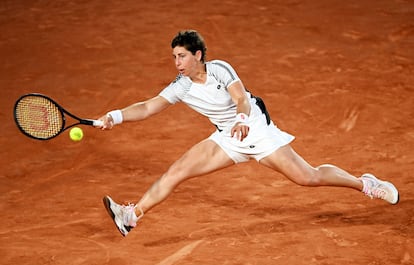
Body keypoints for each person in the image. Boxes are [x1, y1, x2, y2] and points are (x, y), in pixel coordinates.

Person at [98, 30, 399, 237]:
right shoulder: (181, 87)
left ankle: (365, 184)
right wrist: (115, 116)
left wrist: (242, 118)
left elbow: (241, 97)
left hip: (255, 127)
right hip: (227, 137)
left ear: (198, 55)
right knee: (176, 172)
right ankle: (132, 215)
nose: (177, 63)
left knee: (309, 177)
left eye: (182, 56)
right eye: (174, 57)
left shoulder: (219, 70)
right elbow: (149, 107)